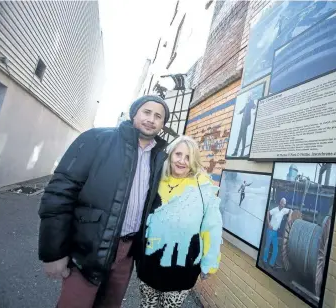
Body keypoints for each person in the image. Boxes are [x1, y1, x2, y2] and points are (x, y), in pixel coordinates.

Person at [38, 95, 170, 308]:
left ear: (162, 124)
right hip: (88, 249)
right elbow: (60, 193)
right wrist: (53, 252)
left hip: (126, 255)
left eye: (158, 116)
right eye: (147, 112)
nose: (151, 119)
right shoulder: (98, 139)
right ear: (134, 113)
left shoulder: (159, 158)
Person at [131, 135, 222, 308]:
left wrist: (209, 263)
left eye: (188, 157)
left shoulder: (203, 187)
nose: (182, 161)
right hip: (149, 264)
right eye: (178, 154)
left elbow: (212, 227)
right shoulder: (155, 180)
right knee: (147, 305)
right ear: (170, 155)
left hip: (182, 268)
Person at [263, 198, 292, 268]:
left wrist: (289, 217)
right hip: (270, 231)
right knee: (267, 246)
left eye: (284, 204)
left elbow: (291, 210)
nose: (283, 205)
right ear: (280, 202)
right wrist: (268, 223)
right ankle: (264, 261)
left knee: (275, 249)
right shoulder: (275, 210)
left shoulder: (284, 210)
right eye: (282, 203)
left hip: (275, 232)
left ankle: (271, 263)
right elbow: (267, 213)